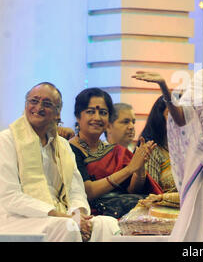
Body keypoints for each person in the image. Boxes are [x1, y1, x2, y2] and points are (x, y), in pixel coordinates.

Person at [133, 13, 203, 241]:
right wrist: (164, 86)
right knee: (198, 229)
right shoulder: (200, 78)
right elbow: (181, 119)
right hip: (201, 163)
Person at [0, 82, 120, 241]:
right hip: (17, 218)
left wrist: (78, 217)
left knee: (107, 224)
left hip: (59, 216)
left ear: (58, 111)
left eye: (47, 104)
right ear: (25, 104)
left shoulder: (63, 146)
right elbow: (10, 197)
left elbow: (76, 191)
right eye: (34, 101)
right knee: (66, 227)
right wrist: (61, 216)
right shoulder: (7, 140)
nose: (39, 107)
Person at [69, 88, 162, 219]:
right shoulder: (69, 149)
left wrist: (139, 168)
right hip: (93, 216)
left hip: (123, 211)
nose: (97, 117)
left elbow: (132, 191)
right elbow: (87, 191)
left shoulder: (116, 151)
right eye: (90, 112)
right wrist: (129, 169)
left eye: (103, 113)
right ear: (78, 116)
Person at [139, 95, 177, 193]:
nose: (178, 119)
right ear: (159, 118)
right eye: (171, 114)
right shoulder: (152, 149)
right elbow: (151, 193)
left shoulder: (187, 148)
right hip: (161, 206)